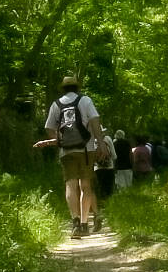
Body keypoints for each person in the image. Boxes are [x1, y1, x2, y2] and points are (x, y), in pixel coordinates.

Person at [43, 75, 106, 237]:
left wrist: (59, 142)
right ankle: (85, 224)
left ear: (62, 88)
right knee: (85, 186)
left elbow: (49, 127)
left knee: (70, 185)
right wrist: (101, 143)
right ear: (77, 87)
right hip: (86, 150)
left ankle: (75, 222)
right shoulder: (85, 100)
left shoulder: (56, 104)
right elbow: (95, 122)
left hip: (66, 151)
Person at [94, 128, 116, 203]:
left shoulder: (92, 140)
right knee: (109, 186)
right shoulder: (107, 138)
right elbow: (113, 154)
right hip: (109, 167)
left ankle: (101, 202)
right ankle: (109, 203)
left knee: (100, 185)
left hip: (97, 168)